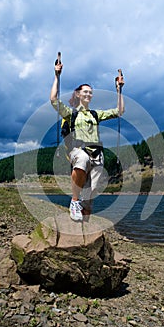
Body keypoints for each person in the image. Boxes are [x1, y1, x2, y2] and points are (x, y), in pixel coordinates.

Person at [50, 62, 124, 221]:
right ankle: (74, 201)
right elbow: (54, 100)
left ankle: (85, 225)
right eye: (85, 91)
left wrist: (119, 90)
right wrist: (57, 76)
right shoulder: (71, 114)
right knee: (82, 160)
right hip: (78, 150)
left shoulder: (96, 114)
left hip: (97, 153)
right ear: (77, 94)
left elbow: (119, 111)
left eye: (90, 92)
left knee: (92, 192)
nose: (88, 94)